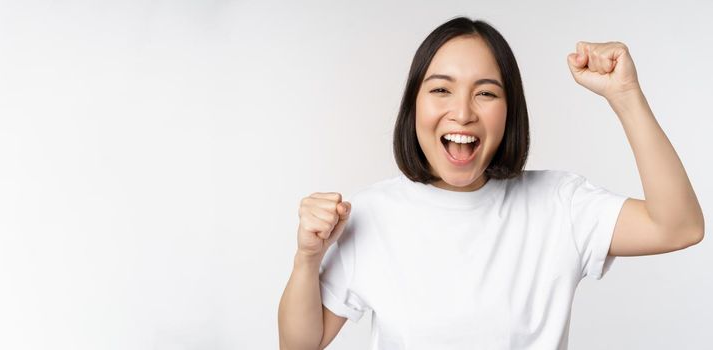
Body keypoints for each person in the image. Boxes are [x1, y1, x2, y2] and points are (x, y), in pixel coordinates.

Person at [277, 16, 705, 350]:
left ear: (509, 111)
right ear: (413, 106)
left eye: (485, 93)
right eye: (441, 90)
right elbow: (302, 344)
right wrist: (307, 257)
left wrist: (626, 95)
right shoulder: (369, 214)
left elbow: (679, 226)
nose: (462, 113)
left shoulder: (560, 206)